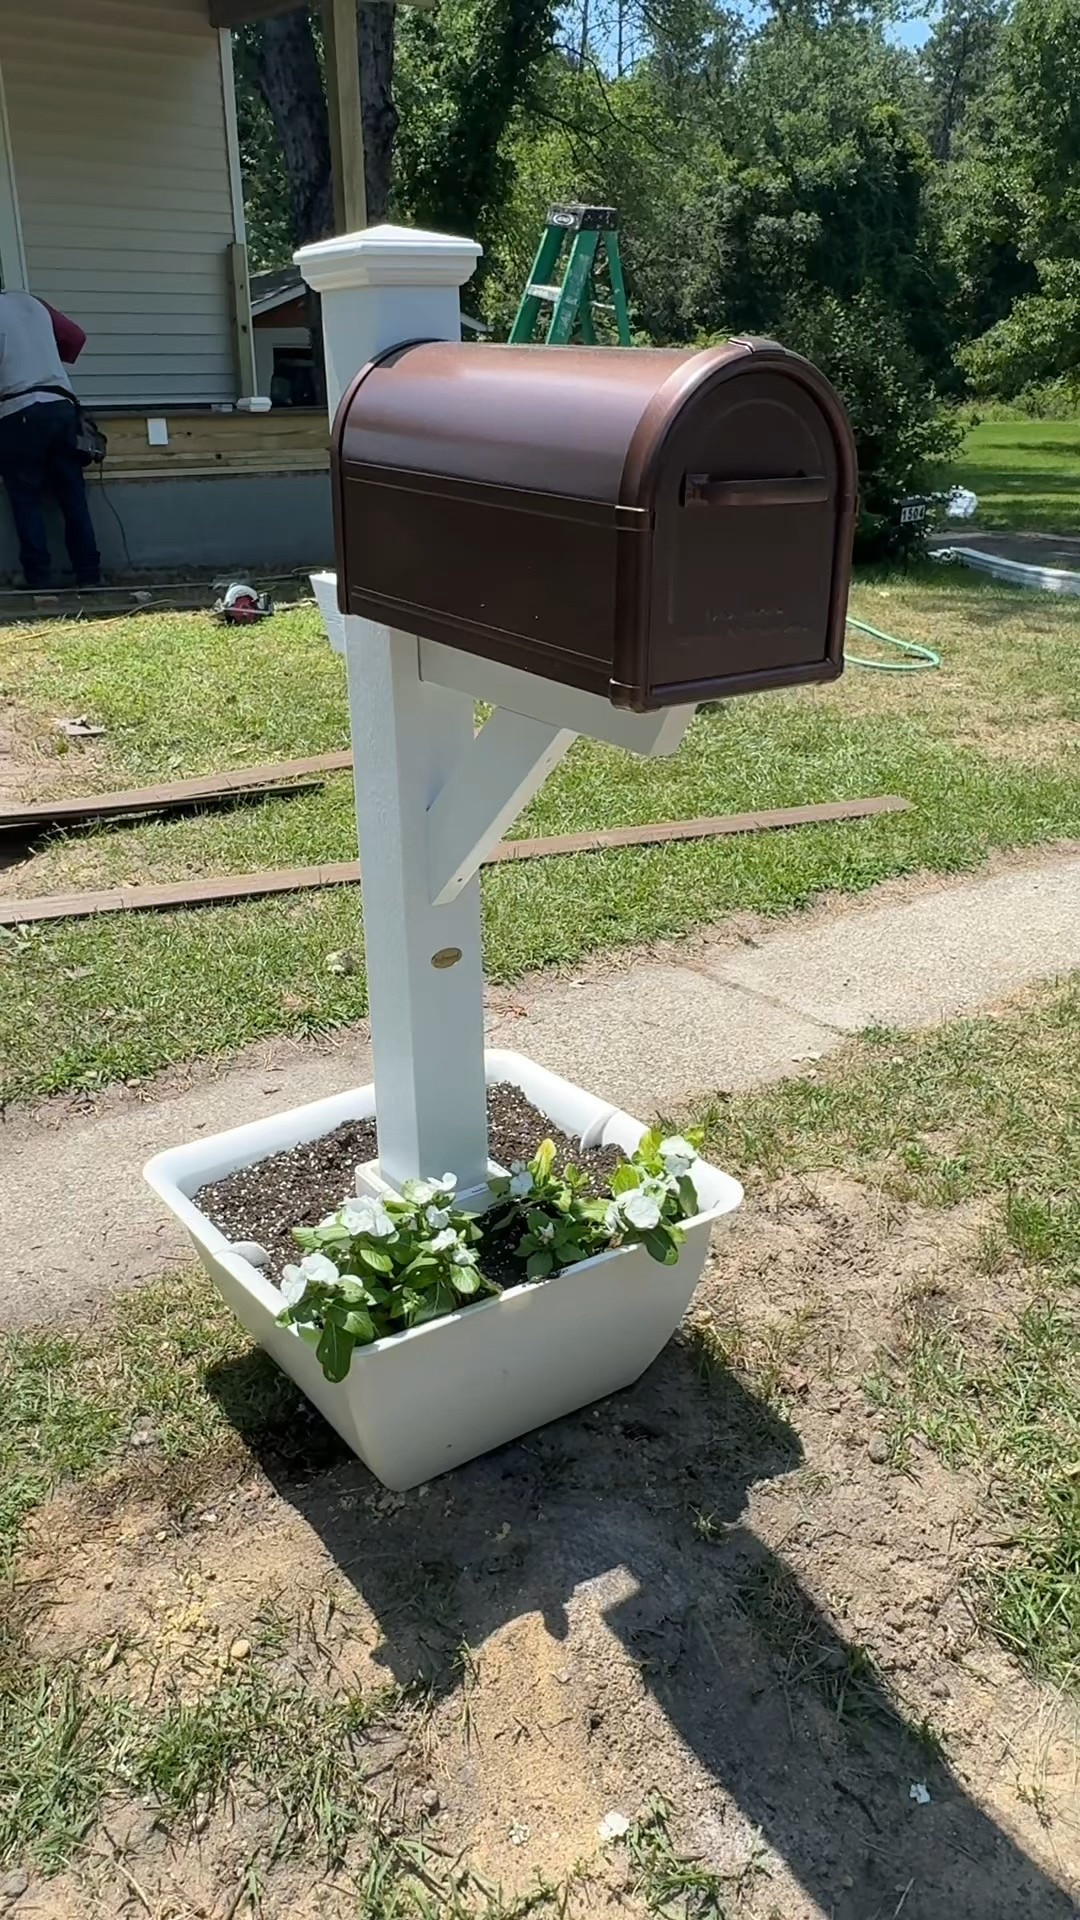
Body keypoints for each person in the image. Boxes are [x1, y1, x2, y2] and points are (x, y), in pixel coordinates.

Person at [0, 289, 101, 589]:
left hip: (17, 410)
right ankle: (89, 574)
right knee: (72, 495)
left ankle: (38, 577)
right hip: (61, 406)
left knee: (25, 496)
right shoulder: (32, 302)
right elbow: (75, 339)